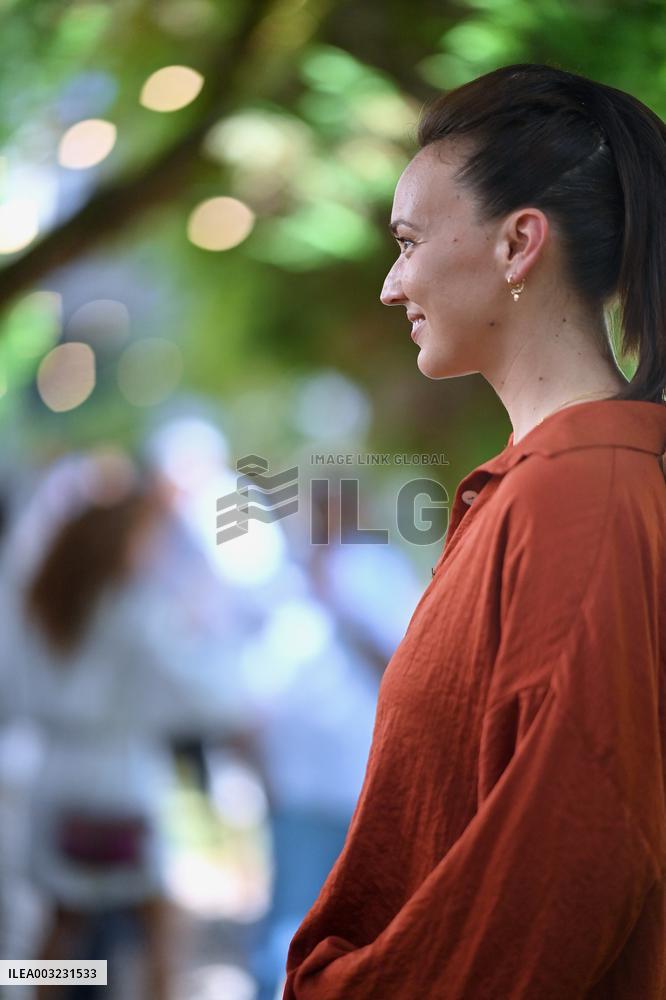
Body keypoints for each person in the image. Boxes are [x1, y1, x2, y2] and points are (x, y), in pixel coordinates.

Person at [283, 63, 666, 998]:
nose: (388, 285)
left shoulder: (587, 495)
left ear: (518, 243)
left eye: (408, 242)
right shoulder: (543, 485)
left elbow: (568, 864)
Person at [4, 456, 245, 1000]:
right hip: (120, 784)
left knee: (57, 931)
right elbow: (206, 696)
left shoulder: (40, 604)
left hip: (56, 779)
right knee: (160, 934)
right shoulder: (136, 609)